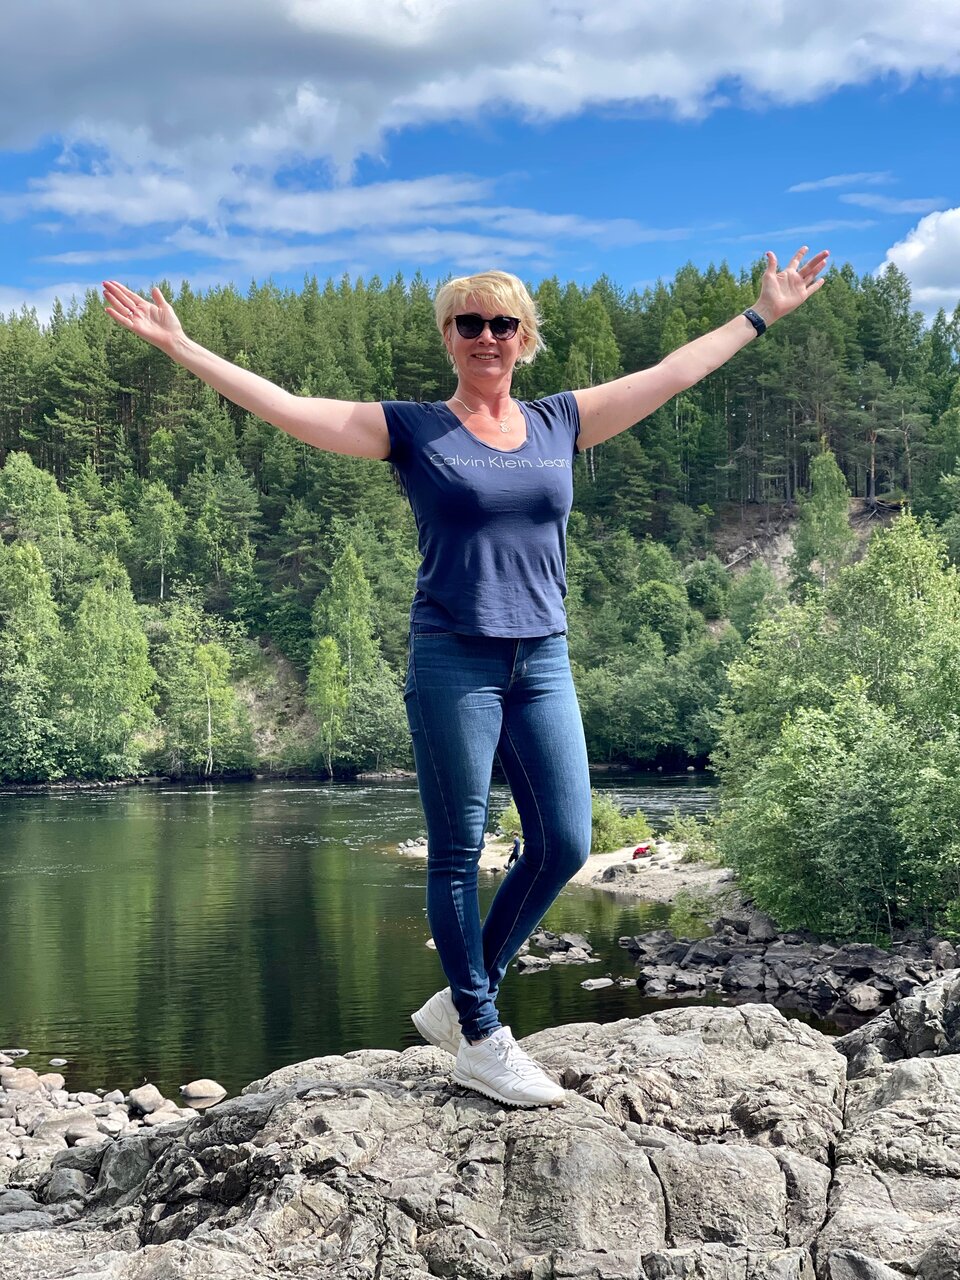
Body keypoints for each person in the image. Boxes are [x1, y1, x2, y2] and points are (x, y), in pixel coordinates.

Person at [103, 246, 827, 1109]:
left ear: (525, 337)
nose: (487, 335)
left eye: (502, 322)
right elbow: (288, 407)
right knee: (456, 850)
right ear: (448, 337)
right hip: (453, 656)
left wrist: (761, 315)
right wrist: (182, 347)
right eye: (469, 322)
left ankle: (457, 999)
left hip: (542, 656)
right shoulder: (412, 429)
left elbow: (673, 373)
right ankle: (481, 1036)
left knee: (564, 842)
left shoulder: (560, 421)